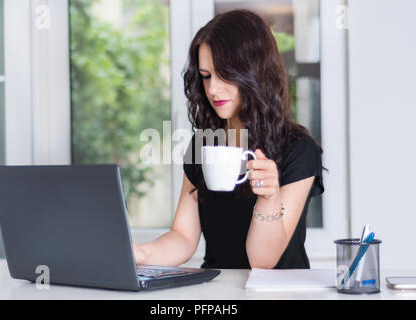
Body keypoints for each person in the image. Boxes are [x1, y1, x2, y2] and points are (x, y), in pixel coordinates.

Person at [133, 9, 325, 269]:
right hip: (218, 291)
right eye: (206, 76)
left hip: (278, 292)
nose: (213, 89)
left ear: (255, 73)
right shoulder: (203, 143)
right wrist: (139, 254)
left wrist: (269, 198)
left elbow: (263, 262)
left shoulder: (297, 149)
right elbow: (183, 237)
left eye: (224, 74)